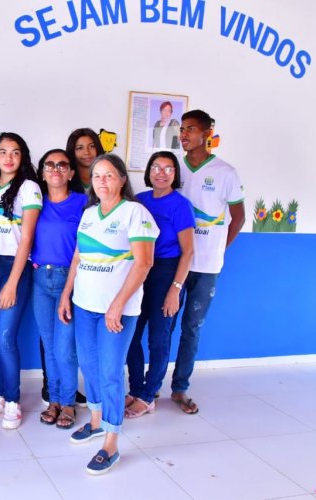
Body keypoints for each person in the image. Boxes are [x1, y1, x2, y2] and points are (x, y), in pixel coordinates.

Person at [58, 154, 157, 475]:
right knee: (89, 365)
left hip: (118, 311)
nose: (102, 181)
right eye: (97, 176)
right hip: (85, 305)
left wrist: (117, 305)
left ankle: (111, 443)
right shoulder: (88, 215)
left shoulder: (135, 213)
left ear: (122, 180)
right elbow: (77, 258)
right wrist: (66, 294)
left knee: (111, 371)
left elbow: (144, 263)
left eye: (109, 175)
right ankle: (97, 421)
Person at [170, 109, 245, 414]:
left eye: (190, 129)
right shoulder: (175, 170)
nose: (184, 135)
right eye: (182, 130)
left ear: (207, 132)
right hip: (174, 262)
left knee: (192, 328)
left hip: (206, 268)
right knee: (163, 325)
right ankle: (146, 389)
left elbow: (238, 218)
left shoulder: (226, 172)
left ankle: (179, 388)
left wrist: (218, 249)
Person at [0, 132, 41, 430]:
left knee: (5, 336)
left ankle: (13, 400)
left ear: (23, 156)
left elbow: (26, 238)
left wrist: (13, 282)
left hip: (14, 267)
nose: (9, 157)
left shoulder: (29, 188)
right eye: (3, 151)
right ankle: (0, 395)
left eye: (15, 152)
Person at [125, 152, 194, 418]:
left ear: (175, 175)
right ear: (149, 171)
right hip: (140, 269)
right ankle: (136, 388)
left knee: (159, 337)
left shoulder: (180, 205)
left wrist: (175, 289)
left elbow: (188, 252)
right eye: (156, 167)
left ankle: (148, 394)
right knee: (130, 332)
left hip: (167, 272)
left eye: (168, 169)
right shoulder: (139, 201)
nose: (161, 173)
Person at [31, 149, 87, 430]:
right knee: (50, 346)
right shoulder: (34, 202)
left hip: (70, 279)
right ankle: (53, 400)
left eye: (62, 165)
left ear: (71, 173)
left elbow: (84, 247)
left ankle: (67, 402)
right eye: (49, 165)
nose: (55, 169)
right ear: (42, 172)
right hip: (40, 279)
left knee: (65, 349)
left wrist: (70, 286)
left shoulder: (83, 202)